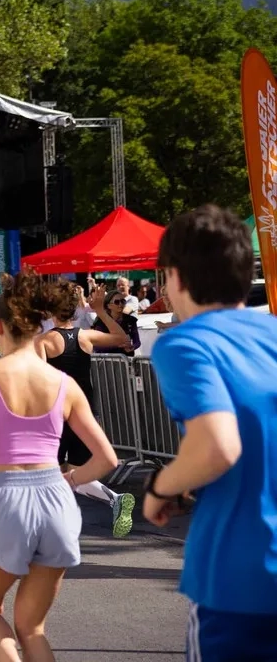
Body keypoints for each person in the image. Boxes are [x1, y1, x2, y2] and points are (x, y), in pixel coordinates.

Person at [0, 270, 117, 662]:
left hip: (4, 500)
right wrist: (69, 479)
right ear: (38, 326)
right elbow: (107, 458)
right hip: (56, 502)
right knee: (32, 628)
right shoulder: (64, 384)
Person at [144, 205, 277, 661]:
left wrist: (160, 486)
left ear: (175, 277)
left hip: (239, 578)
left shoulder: (185, 343)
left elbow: (218, 446)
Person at [35, 282, 136, 537]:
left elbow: (38, 382)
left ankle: (54, 528)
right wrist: (101, 311)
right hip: (83, 412)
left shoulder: (44, 341)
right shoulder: (86, 336)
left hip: (57, 414)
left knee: (53, 473)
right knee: (73, 473)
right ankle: (115, 499)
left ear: (51, 311)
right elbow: (122, 339)